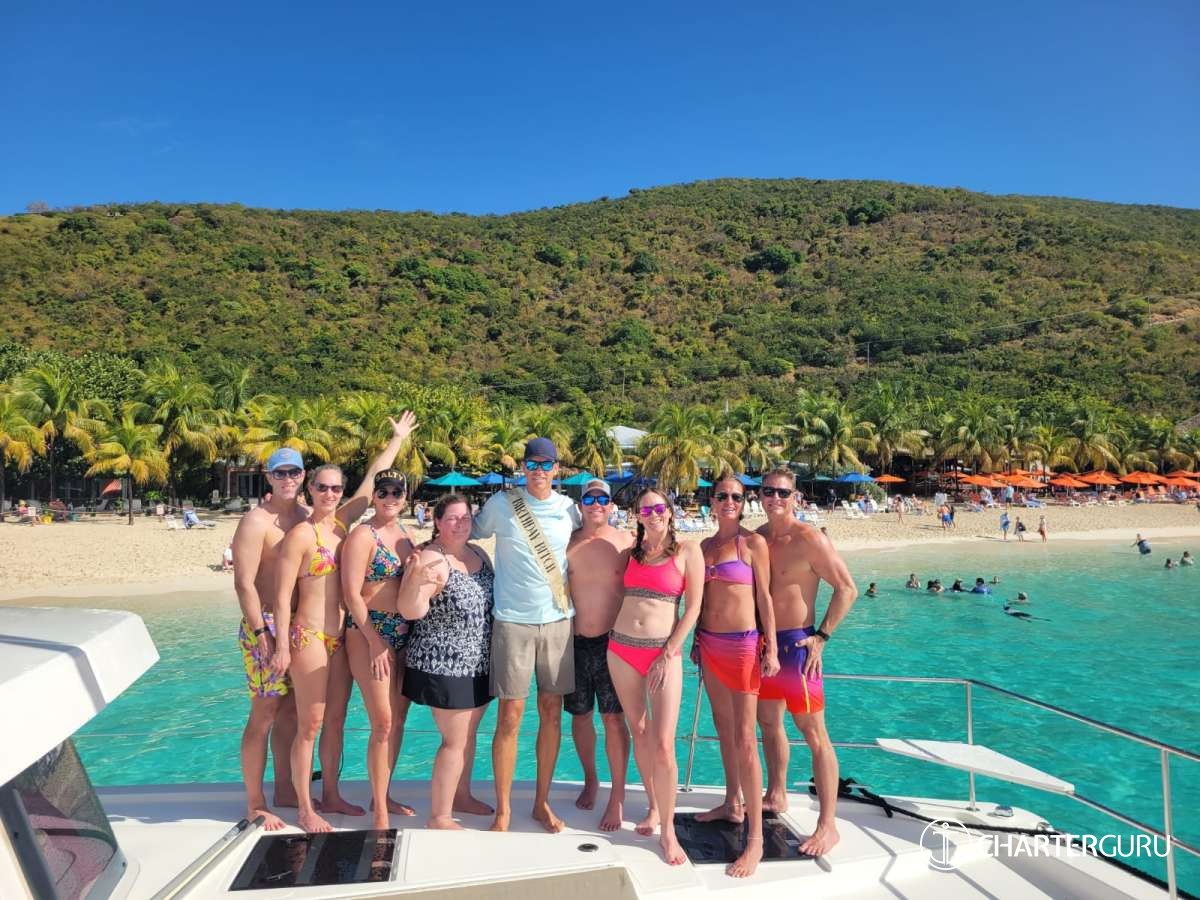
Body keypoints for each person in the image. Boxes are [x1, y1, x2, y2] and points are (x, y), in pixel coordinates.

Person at [270, 413, 416, 833]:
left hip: (340, 637)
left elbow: (373, 482)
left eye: (336, 488)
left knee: (335, 721)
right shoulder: (301, 535)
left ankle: (331, 794)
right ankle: (305, 808)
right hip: (309, 636)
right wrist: (281, 647)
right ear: (310, 490)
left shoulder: (341, 524)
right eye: (323, 487)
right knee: (311, 724)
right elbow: (281, 596)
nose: (330, 493)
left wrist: (397, 440)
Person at [472, 437, 581, 833]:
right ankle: (503, 809)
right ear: (523, 467)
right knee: (510, 715)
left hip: (558, 621)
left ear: (556, 469)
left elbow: (592, 544)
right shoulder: (501, 505)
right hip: (512, 622)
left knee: (552, 712)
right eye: (532, 464)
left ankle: (541, 803)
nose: (538, 471)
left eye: (545, 464)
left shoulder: (570, 509)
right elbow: (465, 533)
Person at [754, 468, 856, 857]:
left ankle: (828, 825)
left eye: (783, 492)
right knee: (768, 723)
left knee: (814, 733)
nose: (775, 498)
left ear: (795, 497)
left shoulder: (810, 538)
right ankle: (776, 793)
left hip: (798, 647)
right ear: (760, 496)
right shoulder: (757, 539)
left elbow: (847, 589)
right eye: (769, 491)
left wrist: (822, 637)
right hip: (765, 647)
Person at [607, 486, 705, 865]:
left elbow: (693, 608)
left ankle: (669, 831)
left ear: (671, 511)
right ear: (638, 515)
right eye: (645, 510)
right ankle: (652, 806)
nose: (653, 514)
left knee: (664, 744)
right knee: (640, 731)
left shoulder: (688, 552)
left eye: (659, 508)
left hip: (663, 653)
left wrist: (668, 652)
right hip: (621, 649)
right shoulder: (631, 552)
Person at [693, 473, 780, 878]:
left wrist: (772, 648)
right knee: (723, 729)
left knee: (746, 738)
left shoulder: (752, 543)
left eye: (737, 496)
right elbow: (701, 600)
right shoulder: (705, 547)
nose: (729, 501)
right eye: (722, 495)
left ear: (745, 503)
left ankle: (756, 838)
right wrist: (695, 638)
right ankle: (732, 803)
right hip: (709, 644)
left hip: (743, 646)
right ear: (712, 501)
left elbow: (764, 598)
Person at [398, 494, 496, 829]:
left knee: (468, 736)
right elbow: (411, 610)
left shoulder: (479, 554)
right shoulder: (432, 559)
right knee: (454, 741)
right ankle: (439, 815)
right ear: (437, 522)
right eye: (451, 518)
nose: (459, 524)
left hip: (478, 661)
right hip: (444, 663)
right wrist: (414, 582)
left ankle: (461, 795)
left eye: (465, 517)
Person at [231, 447, 307, 831]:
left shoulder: (305, 516)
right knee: (264, 714)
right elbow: (243, 582)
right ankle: (255, 802)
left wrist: (394, 444)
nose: (288, 479)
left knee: (291, 711)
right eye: (281, 473)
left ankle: (285, 789)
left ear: (303, 475)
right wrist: (261, 632)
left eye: (294, 472)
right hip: (264, 625)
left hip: (295, 625)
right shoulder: (255, 520)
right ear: (269, 477)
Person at [340, 467, 419, 828]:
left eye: (396, 492)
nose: (390, 498)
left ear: (405, 497)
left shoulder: (406, 534)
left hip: (403, 633)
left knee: (399, 719)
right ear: (373, 496)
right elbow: (351, 594)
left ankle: (382, 795)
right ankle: (381, 813)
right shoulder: (362, 535)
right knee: (383, 722)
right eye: (383, 492)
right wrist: (374, 640)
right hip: (367, 632)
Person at [564, 479, 634, 832]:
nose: (595, 504)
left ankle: (617, 795)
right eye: (589, 498)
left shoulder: (626, 542)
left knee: (613, 720)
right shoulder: (567, 542)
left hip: (613, 643)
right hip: (573, 643)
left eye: (602, 499)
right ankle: (591, 779)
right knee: (580, 717)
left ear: (610, 505)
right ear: (580, 505)